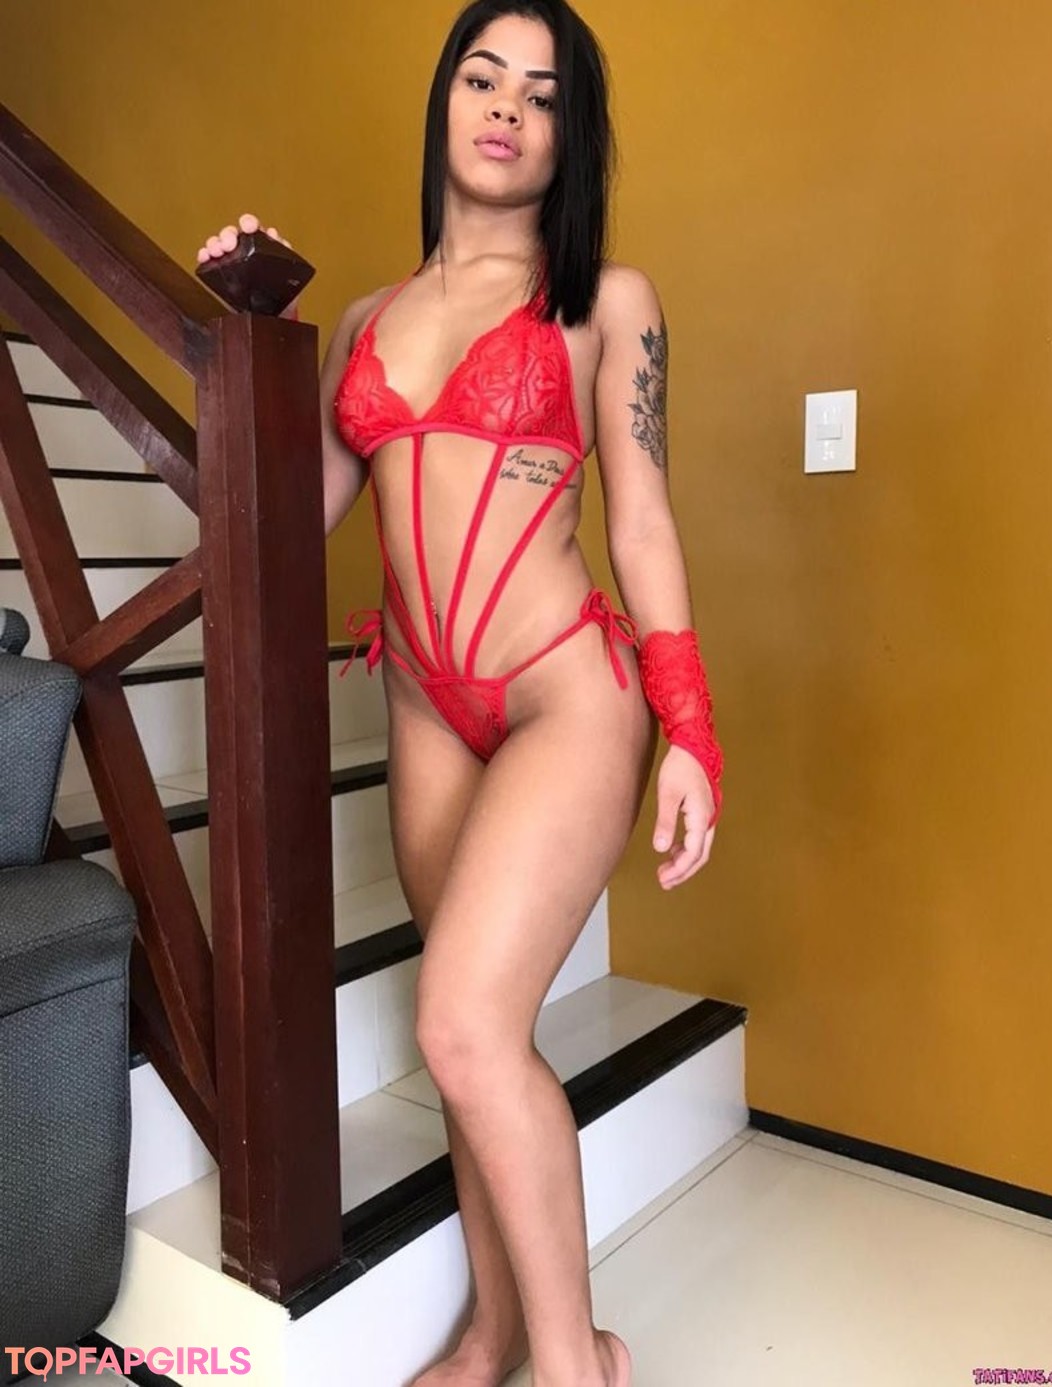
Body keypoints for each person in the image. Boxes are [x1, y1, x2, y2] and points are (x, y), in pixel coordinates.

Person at [197, 2, 723, 1383]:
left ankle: (576, 1362)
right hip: (426, 705)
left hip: (564, 695)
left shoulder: (605, 299)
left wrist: (690, 729)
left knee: (462, 1024)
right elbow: (278, 528)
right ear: (443, 100)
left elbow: (643, 522)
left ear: (571, 134)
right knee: (475, 1036)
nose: (506, 108)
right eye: (483, 78)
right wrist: (250, 344)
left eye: (542, 94)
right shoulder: (369, 322)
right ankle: (494, 1332)